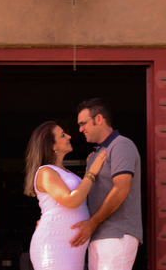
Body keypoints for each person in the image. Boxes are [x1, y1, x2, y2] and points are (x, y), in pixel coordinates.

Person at [24, 120, 107, 270]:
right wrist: (91, 173)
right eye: (62, 135)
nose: (69, 136)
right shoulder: (45, 172)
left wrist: (89, 171)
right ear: (52, 146)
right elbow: (72, 200)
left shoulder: (67, 173)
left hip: (72, 246)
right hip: (54, 244)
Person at [70, 98, 142, 270]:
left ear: (99, 119)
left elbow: (121, 189)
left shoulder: (121, 145)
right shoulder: (97, 154)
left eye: (83, 123)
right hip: (99, 237)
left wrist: (92, 223)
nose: (80, 129)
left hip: (117, 235)